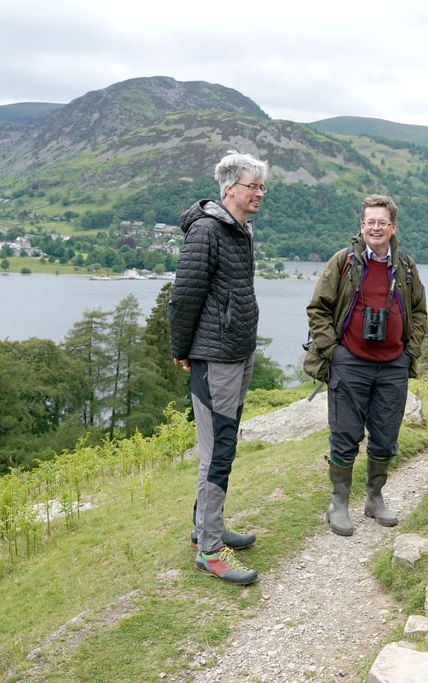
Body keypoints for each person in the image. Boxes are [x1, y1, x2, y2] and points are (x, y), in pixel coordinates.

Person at [168, 150, 267, 585]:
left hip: (237, 352)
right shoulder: (208, 231)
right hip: (215, 358)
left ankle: (204, 527)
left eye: (262, 186)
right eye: (253, 186)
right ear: (230, 189)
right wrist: (181, 349)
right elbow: (184, 297)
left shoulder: (241, 229)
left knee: (221, 447)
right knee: (218, 452)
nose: (259, 193)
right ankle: (209, 550)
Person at [304, 194, 428, 537]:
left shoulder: (404, 265)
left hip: (392, 366)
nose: (375, 228)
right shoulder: (343, 261)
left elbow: (418, 311)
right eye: (369, 222)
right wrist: (333, 350)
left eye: (382, 222)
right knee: (344, 436)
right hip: (350, 363)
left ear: (393, 227)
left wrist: (409, 350)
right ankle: (338, 504)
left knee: (386, 439)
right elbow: (318, 308)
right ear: (362, 226)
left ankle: (374, 498)